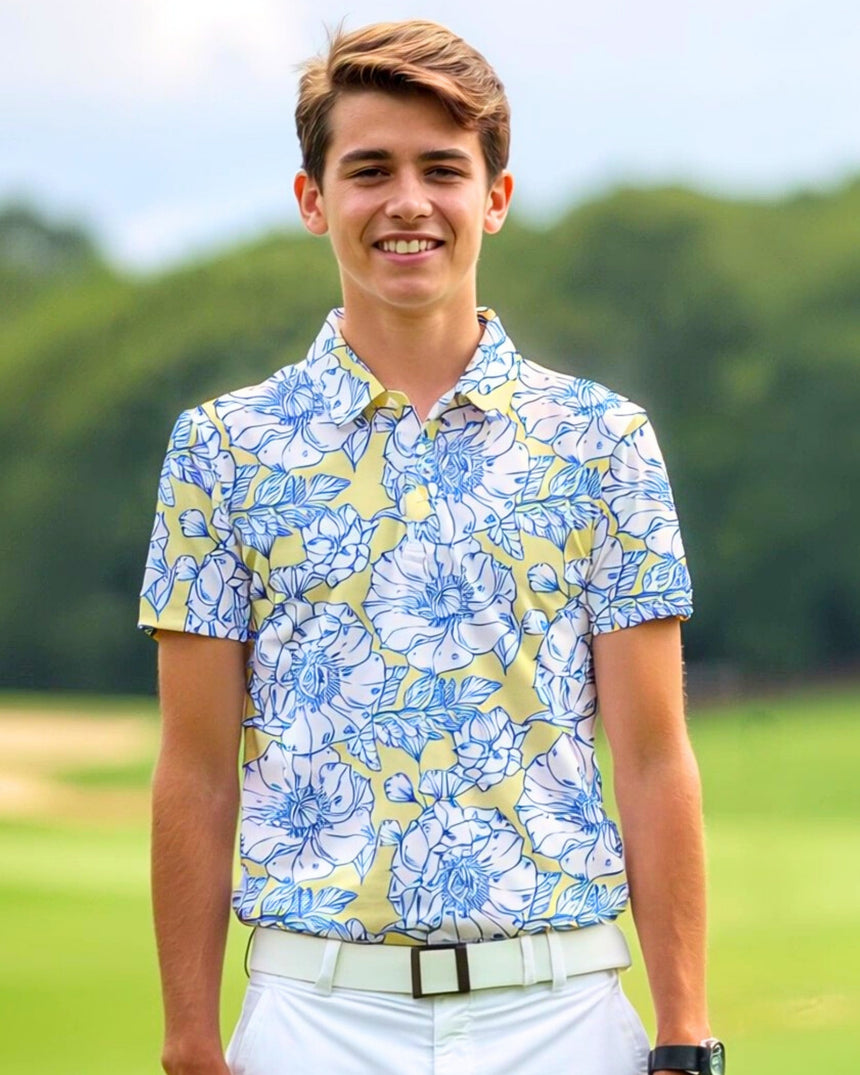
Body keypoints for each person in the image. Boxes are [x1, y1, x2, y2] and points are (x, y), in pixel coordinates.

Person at [139, 19, 723, 1075]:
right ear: (313, 199)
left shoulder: (603, 441)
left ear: (492, 198)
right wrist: (189, 1040)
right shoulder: (221, 449)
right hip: (313, 1016)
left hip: (560, 1015)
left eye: (441, 170)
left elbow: (647, 755)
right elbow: (193, 768)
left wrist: (683, 1029)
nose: (406, 201)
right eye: (369, 170)